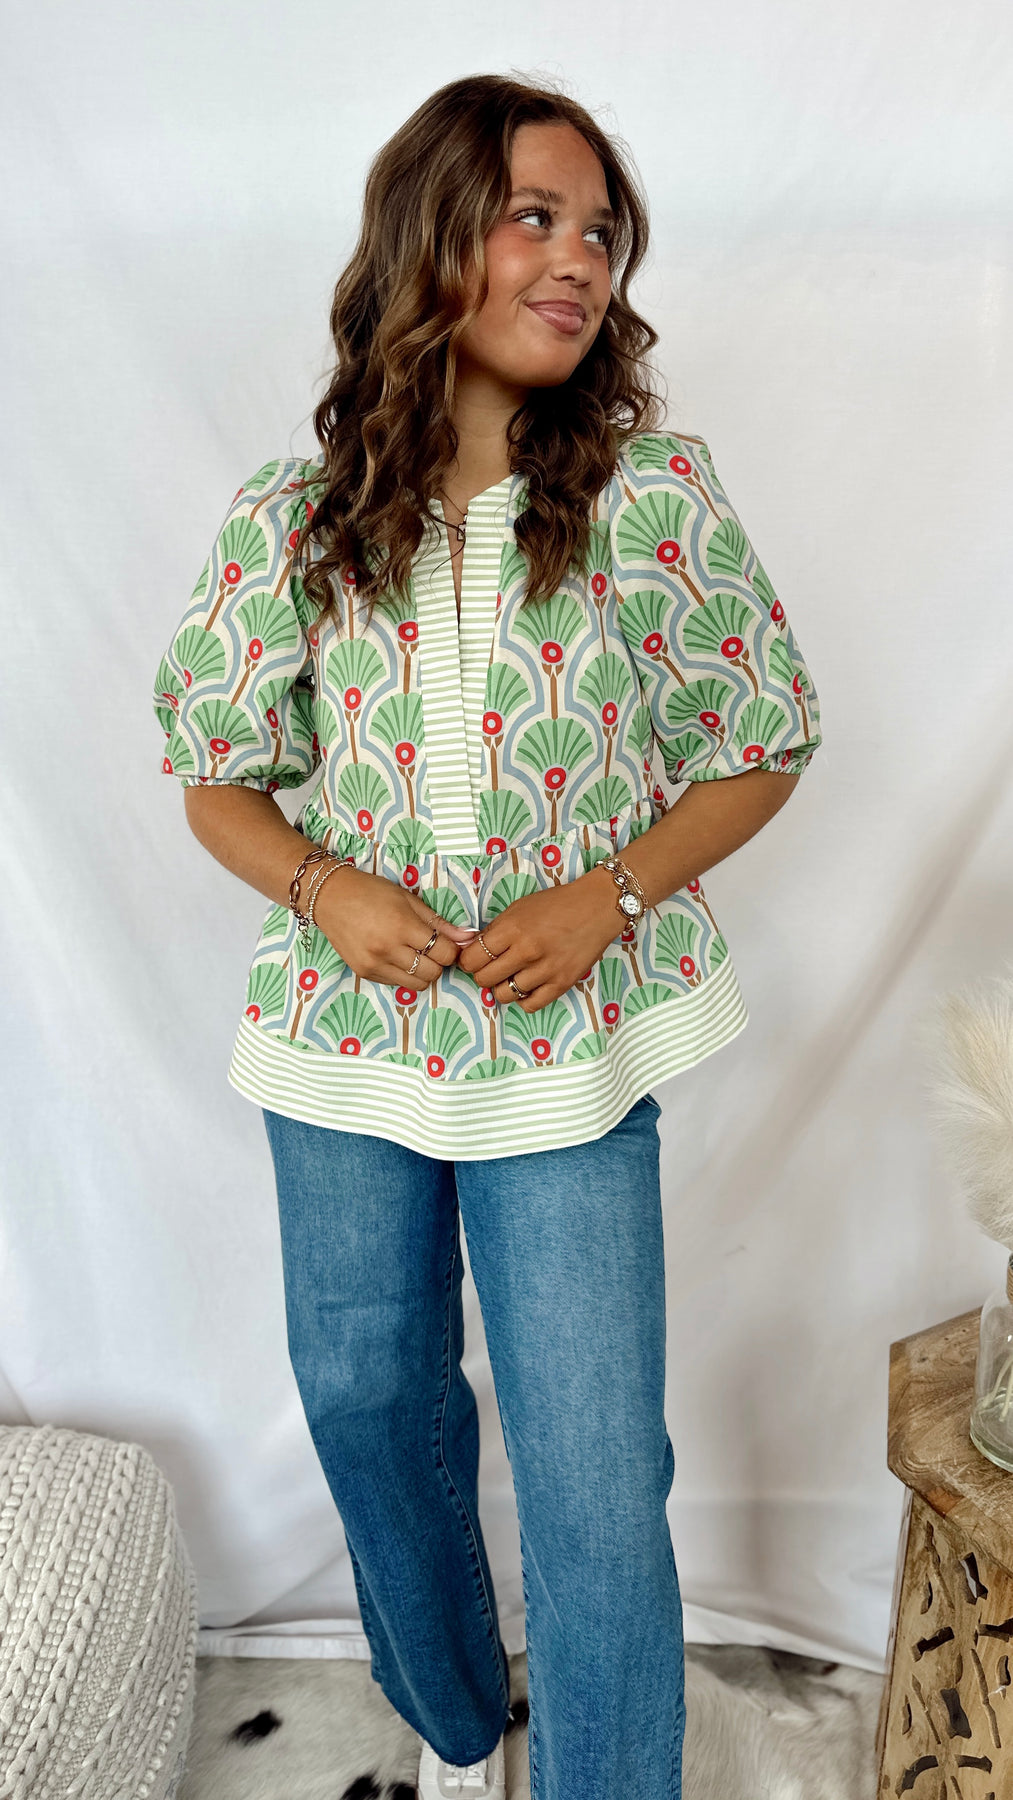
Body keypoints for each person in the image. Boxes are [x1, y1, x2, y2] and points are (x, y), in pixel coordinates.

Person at [152, 72, 822, 1800]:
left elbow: (761, 740)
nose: (578, 259)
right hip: (342, 1040)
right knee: (367, 1396)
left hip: (567, 1047)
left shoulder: (650, 498)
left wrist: (606, 899)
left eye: (600, 232)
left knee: (596, 1474)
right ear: (430, 235)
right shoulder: (294, 517)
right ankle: (457, 1720)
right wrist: (327, 889)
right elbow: (216, 775)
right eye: (535, 216)